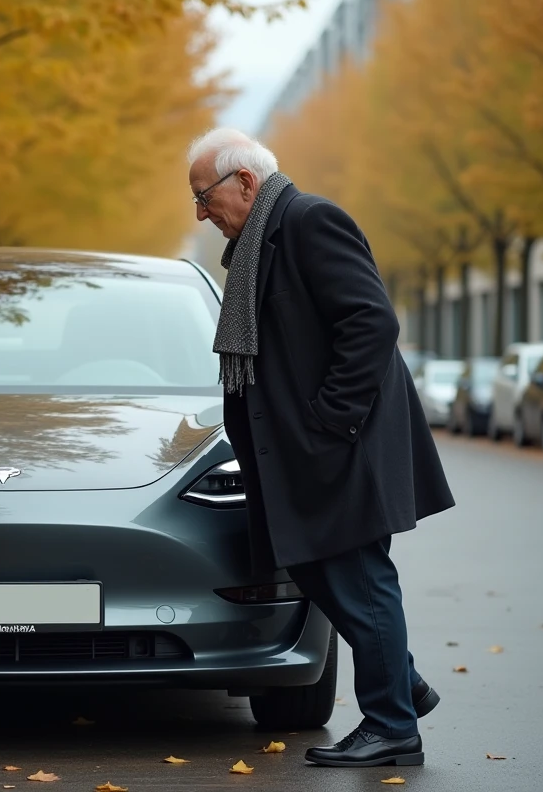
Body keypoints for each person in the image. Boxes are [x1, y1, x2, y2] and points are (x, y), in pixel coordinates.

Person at [186, 127, 455, 768]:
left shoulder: (309, 221)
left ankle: (392, 726)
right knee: (311, 568)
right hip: (305, 456)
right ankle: (403, 683)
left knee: (361, 582)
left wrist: (328, 425)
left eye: (203, 196)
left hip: (338, 451)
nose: (200, 212)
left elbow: (372, 322)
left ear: (245, 182)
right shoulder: (258, 242)